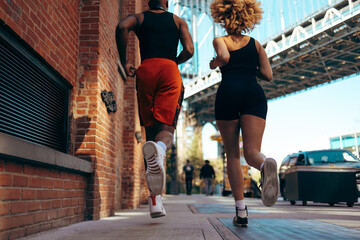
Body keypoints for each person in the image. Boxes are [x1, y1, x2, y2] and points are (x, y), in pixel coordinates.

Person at [116, 0, 194, 218]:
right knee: (165, 131)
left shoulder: (140, 18)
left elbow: (122, 27)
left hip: (146, 70)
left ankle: (155, 201)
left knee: (149, 133)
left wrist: (124, 62)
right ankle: (161, 149)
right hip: (168, 69)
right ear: (167, 2)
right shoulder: (178, 21)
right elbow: (189, 49)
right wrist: (174, 61)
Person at [209, 0, 279, 227]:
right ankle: (264, 165)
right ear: (247, 17)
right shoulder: (257, 44)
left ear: (222, 17)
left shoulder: (220, 40)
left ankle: (241, 212)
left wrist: (215, 63)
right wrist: (248, 67)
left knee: (233, 155)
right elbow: (268, 75)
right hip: (253, 94)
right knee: (252, 152)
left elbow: (225, 57)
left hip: (229, 92)